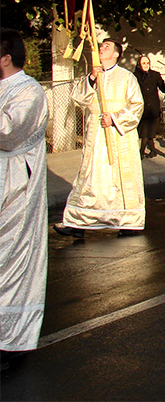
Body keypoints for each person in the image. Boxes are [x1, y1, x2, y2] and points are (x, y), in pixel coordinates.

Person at [54, 39, 145, 238]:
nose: (102, 48)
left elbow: (137, 105)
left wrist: (114, 118)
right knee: (91, 177)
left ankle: (128, 221)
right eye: (101, 45)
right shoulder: (91, 76)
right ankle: (77, 222)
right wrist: (92, 79)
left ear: (116, 55)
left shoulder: (127, 77)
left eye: (107, 47)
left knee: (121, 179)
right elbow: (78, 99)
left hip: (118, 135)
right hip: (95, 135)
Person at [0, 29, 48, 367]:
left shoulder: (29, 91)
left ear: (5, 58)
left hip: (15, 187)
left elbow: (9, 133)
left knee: (10, 259)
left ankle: (10, 340)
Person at [134, 55, 165, 158]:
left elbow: (163, 87)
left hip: (153, 108)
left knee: (148, 132)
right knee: (145, 131)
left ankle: (141, 152)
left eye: (147, 63)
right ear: (139, 64)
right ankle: (152, 151)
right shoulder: (135, 76)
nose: (146, 65)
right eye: (143, 63)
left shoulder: (154, 75)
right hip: (142, 107)